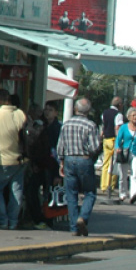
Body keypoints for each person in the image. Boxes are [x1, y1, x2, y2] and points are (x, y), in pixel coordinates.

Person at [55, 97, 102, 237]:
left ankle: (74, 227)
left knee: (71, 194)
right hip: (84, 159)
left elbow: (60, 147)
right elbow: (94, 148)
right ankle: (83, 217)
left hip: (69, 159)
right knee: (90, 193)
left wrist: (61, 163)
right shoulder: (91, 125)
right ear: (88, 111)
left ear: (75, 109)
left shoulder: (66, 124)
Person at [0, 88, 28, 230]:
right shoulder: (20, 113)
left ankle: (2, 220)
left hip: (2, 160)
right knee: (16, 191)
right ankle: (13, 221)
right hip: (20, 160)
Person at [113, 106, 136, 203]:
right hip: (124, 153)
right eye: (133, 115)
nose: (135, 117)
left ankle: (133, 194)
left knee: (134, 174)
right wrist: (117, 148)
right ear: (129, 117)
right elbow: (118, 140)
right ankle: (122, 194)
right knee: (123, 175)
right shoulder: (123, 127)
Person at [100, 96, 124, 197]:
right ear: (119, 105)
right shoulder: (118, 114)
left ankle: (104, 185)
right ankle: (111, 185)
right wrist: (120, 141)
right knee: (114, 164)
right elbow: (117, 127)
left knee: (105, 163)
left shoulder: (104, 113)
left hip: (106, 139)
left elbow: (103, 125)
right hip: (114, 139)